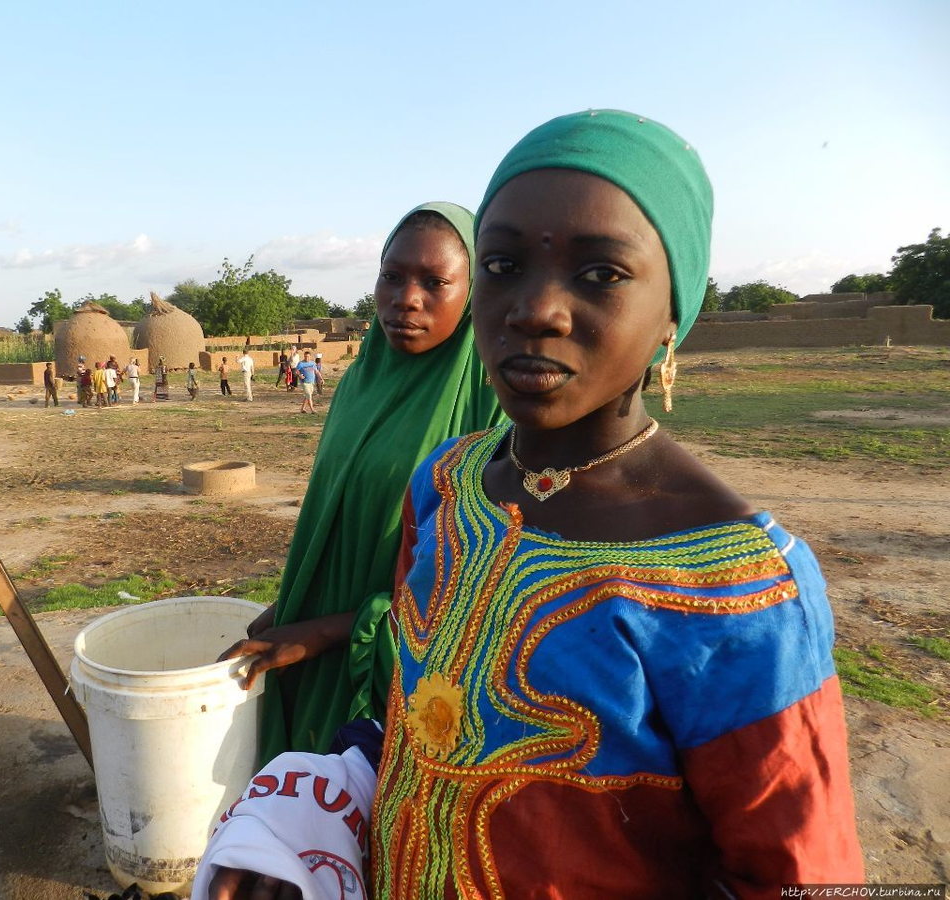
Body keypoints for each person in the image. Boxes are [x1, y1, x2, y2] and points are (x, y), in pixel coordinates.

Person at [202, 111, 863, 900]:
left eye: (600, 274)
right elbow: (424, 714)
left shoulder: (744, 592)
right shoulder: (447, 488)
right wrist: (311, 821)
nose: (534, 309)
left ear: (672, 318)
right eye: (504, 263)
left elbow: (800, 876)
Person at [218, 201, 502, 765]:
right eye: (391, 276)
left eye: (434, 282)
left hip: (405, 676)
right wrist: (296, 602)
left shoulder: (488, 402)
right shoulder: (359, 384)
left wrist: (327, 630)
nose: (406, 299)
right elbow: (336, 516)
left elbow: (477, 581)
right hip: (314, 649)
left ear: (472, 292)